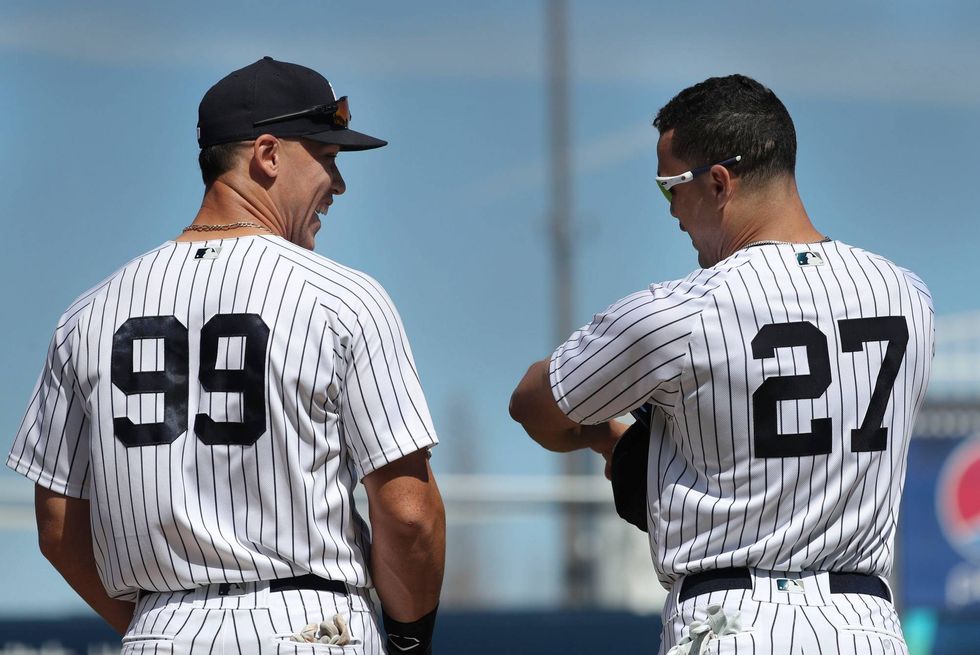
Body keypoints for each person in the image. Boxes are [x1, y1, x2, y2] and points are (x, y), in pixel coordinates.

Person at [7, 57, 445, 655]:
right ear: (267, 154)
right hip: (312, 627)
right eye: (327, 156)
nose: (338, 184)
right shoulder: (344, 299)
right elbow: (409, 514)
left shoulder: (87, 314)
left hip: (159, 631)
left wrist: (158, 628)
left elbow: (58, 525)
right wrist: (410, 640)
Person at [510, 74, 932, 654]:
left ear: (717, 182)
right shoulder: (907, 296)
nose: (672, 212)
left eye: (669, 189)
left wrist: (611, 441)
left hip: (730, 621)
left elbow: (532, 404)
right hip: (864, 625)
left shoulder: (678, 313)